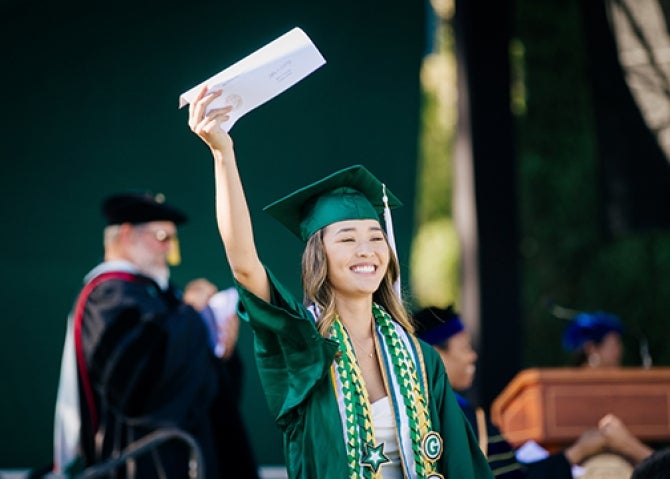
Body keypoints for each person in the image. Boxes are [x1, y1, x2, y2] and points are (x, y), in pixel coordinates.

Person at [187, 86, 494, 478]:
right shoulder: (303, 348)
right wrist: (221, 153)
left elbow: (462, 467)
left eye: (375, 236)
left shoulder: (421, 360)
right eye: (347, 239)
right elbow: (246, 267)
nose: (366, 250)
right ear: (320, 257)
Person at [52, 191, 258, 479]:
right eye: (163, 237)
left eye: (173, 241)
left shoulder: (157, 293)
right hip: (140, 457)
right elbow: (134, 384)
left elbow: (193, 378)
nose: (170, 250)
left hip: (185, 452)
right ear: (126, 234)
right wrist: (190, 312)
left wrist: (222, 352)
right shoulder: (109, 295)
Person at [414, 305, 654, 478]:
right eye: (466, 347)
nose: (473, 356)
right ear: (435, 354)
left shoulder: (423, 407)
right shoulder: (459, 417)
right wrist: (576, 452)